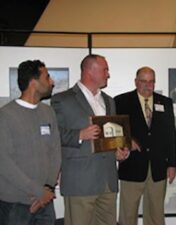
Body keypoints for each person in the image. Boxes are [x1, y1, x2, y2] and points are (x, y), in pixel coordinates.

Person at [50, 54, 129, 225]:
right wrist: (79, 135)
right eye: (105, 70)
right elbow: (53, 135)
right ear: (89, 71)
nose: (108, 74)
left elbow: (110, 136)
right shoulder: (62, 100)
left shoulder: (109, 101)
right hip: (80, 182)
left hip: (108, 181)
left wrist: (118, 151)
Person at [0, 60, 61, 225]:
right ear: (33, 82)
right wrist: (37, 191)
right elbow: (4, 163)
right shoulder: (5, 116)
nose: (52, 82)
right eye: (47, 77)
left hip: (45, 201)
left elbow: (56, 152)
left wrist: (47, 188)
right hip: (15, 204)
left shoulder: (48, 112)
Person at [114, 66, 176, 225]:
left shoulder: (165, 102)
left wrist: (172, 164)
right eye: (143, 81)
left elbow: (171, 134)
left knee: (156, 216)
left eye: (151, 81)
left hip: (158, 167)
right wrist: (127, 141)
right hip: (132, 166)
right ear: (136, 82)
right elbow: (114, 130)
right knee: (127, 215)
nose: (148, 85)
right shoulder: (121, 101)